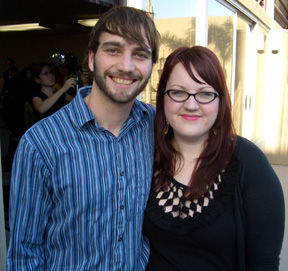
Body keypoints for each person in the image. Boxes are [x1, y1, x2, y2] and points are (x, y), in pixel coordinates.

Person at [7, 6, 160, 271]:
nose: (126, 66)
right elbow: (24, 254)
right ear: (91, 59)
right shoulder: (41, 144)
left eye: (140, 54)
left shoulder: (156, 126)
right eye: (113, 50)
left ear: (151, 65)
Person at [143, 46, 285, 271]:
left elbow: (264, 263)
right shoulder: (145, 156)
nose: (191, 104)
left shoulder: (248, 163)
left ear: (221, 101)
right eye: (178, 92)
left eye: (205, 93)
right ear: (162, 99)